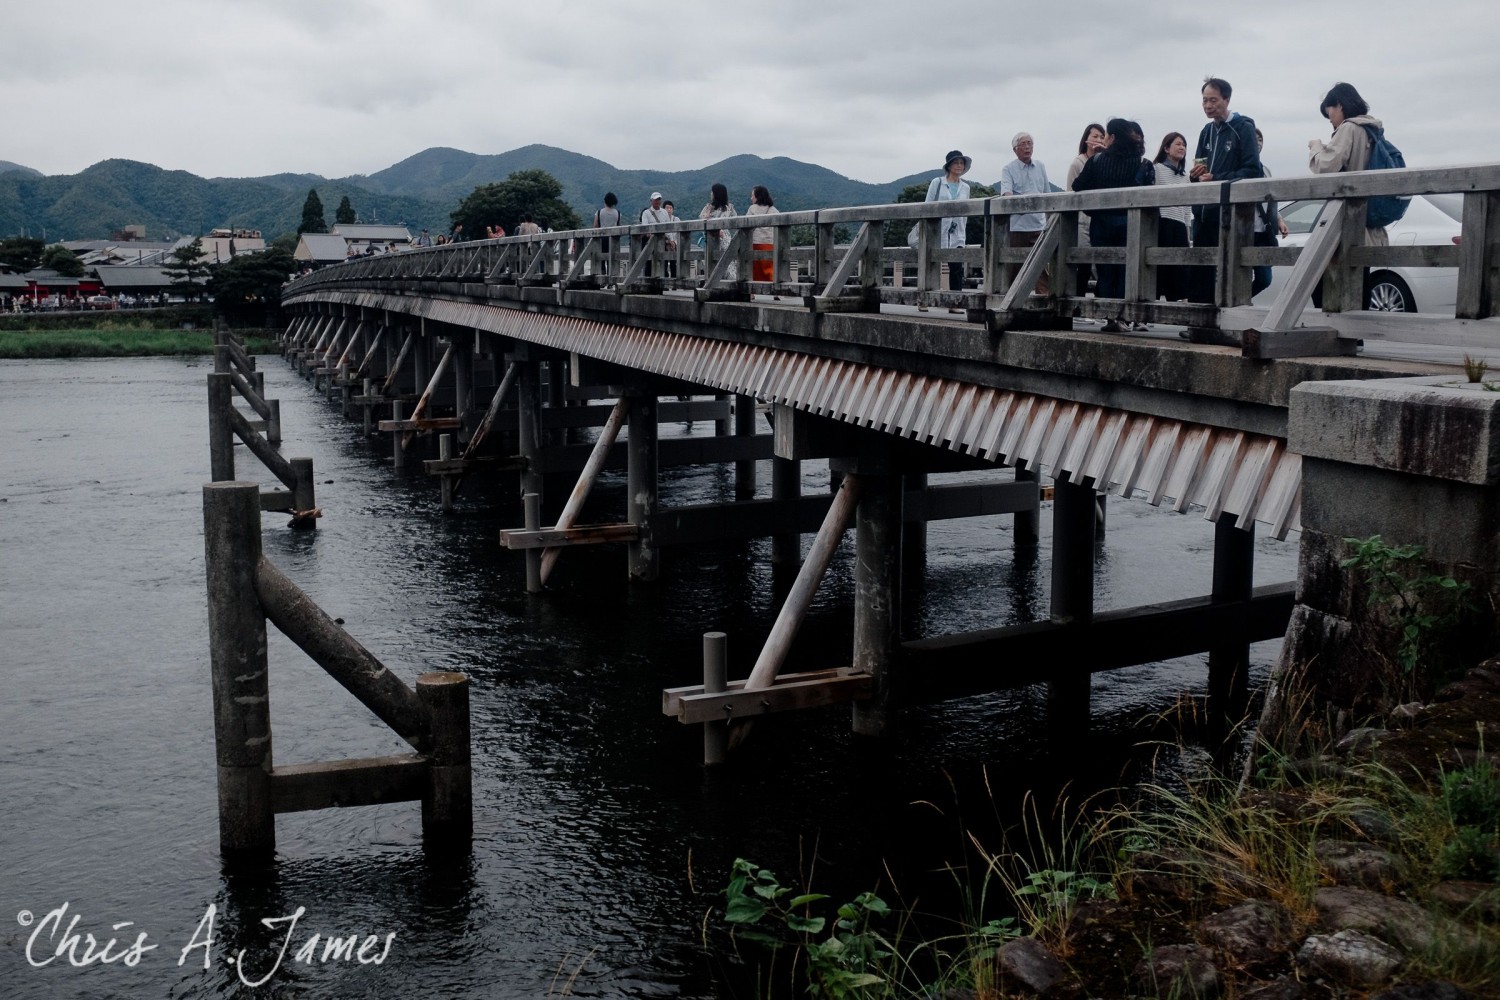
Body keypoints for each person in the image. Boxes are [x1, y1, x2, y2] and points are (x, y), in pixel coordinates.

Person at [1070, 118, 1155, 329]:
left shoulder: (1097, 161)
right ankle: (1125, 316)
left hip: (1101, 222)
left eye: (1106, 134)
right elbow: (1152, 200)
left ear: (1113, 137)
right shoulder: (1142, 163)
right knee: (1128, 269)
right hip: (1132, 224)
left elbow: (1077, 186)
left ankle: (1110, 317)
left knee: (1105, 268)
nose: (1104, 138)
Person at [1188, 76, 1263, 303]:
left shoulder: (1243, 128)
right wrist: (1195, 176)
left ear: (1227, 100)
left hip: (1230, 214)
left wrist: (1217, 178)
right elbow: (1199, 166)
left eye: (1213, 100)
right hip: (1203, 212)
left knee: (1228, 270)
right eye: (1204, 101)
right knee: (1201, 271)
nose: (1208, 106)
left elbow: (1252, 171)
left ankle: (1225, 323)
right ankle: (1197, 324)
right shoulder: (1205, 131)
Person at [1308, 82, 1390, 249]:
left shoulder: (1349, 128)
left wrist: (1316, 146)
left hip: (1352, 221)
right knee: (1363, 272)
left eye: (1329, 111)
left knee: (1343, 272)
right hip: (1372, 222)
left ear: (1339, 105)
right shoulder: (1372, 129)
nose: (1329, 118)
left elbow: (1325, 166)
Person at [921, 149, 973, 313]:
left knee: (956, 267)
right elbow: (927, 205)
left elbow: (968, 209)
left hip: (957, 232)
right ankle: (923, 300)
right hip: (938, 230)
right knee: (931, 265)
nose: (959, 166)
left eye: (961, 163)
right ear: (949, 165)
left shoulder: (966, 187)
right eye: (956, 163)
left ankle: (955, 302)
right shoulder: (937, 182)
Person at [999, 132, 1050, 295]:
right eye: (1023, 144)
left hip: (1038, 223)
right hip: (1017, 225)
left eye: (1030, 143)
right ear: (1015, 149)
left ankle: (1044, 300)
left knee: (1040, 263)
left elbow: (1047, 193)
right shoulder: (1008, 169)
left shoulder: (1040, 166)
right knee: (1016, 265)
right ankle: (1013, 300)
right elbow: (1006, 193)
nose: (1027, 147)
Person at [1066, 123, 1107, 312]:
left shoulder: (1104, 161)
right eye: (1096, 136)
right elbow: (1071, 191)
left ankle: (1101, 307)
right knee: (1082, 263)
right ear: (1086, 140)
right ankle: (1079, 307)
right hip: (1082, 219)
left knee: (1103, 263)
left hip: (1100, 218)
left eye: (1102, 137)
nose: (1099, 140)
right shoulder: (1078, 162)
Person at [1152, 132, 1193, 302]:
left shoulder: (1186, 177)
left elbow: (1186, 208)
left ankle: (1177, 304)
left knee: (1180, 268)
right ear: (1166, 148)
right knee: (1159, 267)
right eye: (1177, 144)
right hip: (1162, 222)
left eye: (1184, 144)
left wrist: (1187, 231)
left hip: (1179, 224)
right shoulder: (1157, 169)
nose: (1182, 147)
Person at [1251, 128, 1288, 297]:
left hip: (1264, 232)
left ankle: (1241, 300)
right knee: (1240, 274)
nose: (1258, 142)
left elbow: (1271, 201)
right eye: (1254, 138)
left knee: (1265, 279)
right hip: (1246, 230)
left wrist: (1279, 220)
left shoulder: (1266, 170)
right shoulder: (1240, 167)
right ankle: (1238, 304)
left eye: (1260, 139)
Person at [698, 183, 737, 280]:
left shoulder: (729, 208)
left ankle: (728, 282)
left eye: (712, 192)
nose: (711, 194)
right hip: (711, 238)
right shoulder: (708, 207)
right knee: (713, 261)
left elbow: (736, 222)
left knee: (727, 262)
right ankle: (714, 282)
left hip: (724, 239)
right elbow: (701, 220)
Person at [746, 185, 780, 283]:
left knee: (755, 268)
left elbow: (746, 225)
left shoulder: (752, 208)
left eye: (753, 195)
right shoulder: (773, 209)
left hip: (755, 242)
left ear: (758, 196)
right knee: (770, 267)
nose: (751, 198)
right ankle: (775, 289)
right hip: (770, 242)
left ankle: (752, 291)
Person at [638, 192, 669, 277]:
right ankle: (648, 279)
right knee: (649, 262)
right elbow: (645, 227)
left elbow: (669, 227)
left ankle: (663, 280)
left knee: (664, 261)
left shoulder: (664, 212)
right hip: (650, 240)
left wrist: (670, 239)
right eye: (656, 200)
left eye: (659, 199)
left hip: (662, 240)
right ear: (651, 201)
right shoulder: (646, 213)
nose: (658, 201)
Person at [593, 192, 622, 276]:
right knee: (612, 259)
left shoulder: (599, 212)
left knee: (601, 259)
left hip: (602, 239)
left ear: (605, 201)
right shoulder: (618, 213)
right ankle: (611, 278)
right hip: (613, 240)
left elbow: (595, 226)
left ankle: (602, 277)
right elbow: (620, 226)